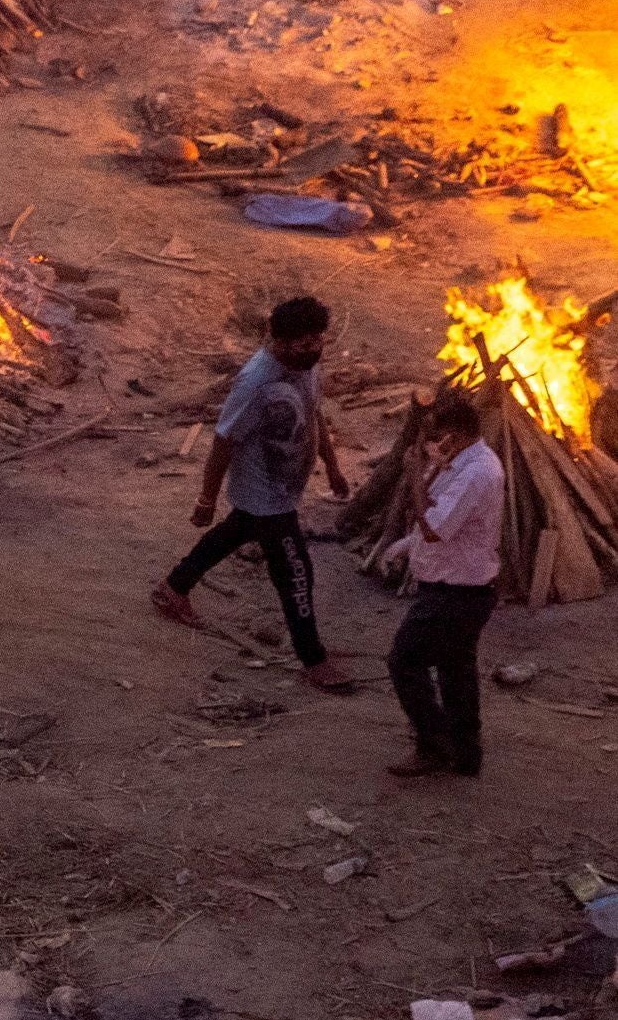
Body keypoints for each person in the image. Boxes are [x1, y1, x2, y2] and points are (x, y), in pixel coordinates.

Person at [152, 295, 353, 690]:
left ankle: (173, 588)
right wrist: (206, 499)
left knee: (237, 531)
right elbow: (224, 440)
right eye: (303, 343)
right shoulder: (256, 382)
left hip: (282, 487)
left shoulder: (306, 368)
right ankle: (313, 660)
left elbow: (313, 415)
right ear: (278, 340)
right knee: (295, 572)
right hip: (265, 492)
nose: (313, 350)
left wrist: (331, 466)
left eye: (318, 341)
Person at [381, 391, 503, 780]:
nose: (430, 445)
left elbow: (434, 527)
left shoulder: (477, 473)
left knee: (405, 661)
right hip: (458, 585)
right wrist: (404, 546)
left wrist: (415, 478)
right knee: (455, 669)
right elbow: (440, 524)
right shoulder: (459, 464)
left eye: (436, 437)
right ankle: (466, 752)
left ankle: (435, 742)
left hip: (457, 592)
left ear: (453, 435)